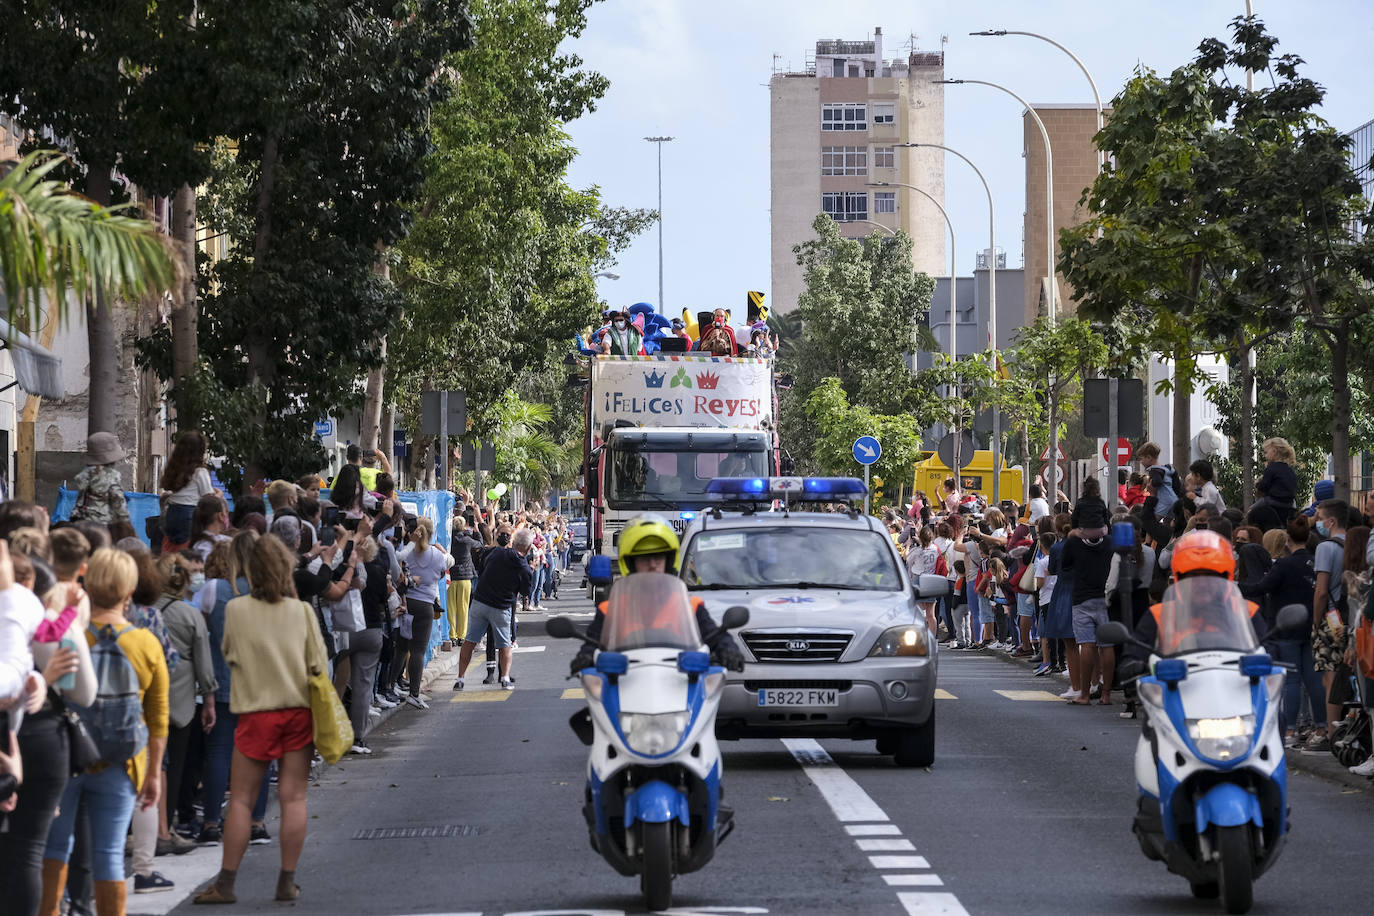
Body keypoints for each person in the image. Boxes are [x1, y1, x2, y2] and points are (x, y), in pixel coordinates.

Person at [193, 534, 327, 905]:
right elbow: (318, 665)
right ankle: (286, 880)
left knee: (240, 800)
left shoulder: (236, 610)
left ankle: (227, 882)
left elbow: (230, 655)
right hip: (297, 712)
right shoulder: (301, 613)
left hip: (254, 713)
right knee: (294, 798)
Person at [41, 548, 168, 916]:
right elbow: (157, 717)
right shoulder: (146, 643)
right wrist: (153, 774)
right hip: (122, 761)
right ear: (130, 592)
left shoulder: (71, 635)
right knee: (109, 854)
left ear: (88, 586)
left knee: (55, 847)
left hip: (68, 756)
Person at [569, 516, 744, 674]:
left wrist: (727, 648)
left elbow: (715, 635)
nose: (652, 564)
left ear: (669, 561)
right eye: (644, 558)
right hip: (625, 685)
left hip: (679, 685)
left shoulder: (689, 606)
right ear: (631, 563)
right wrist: (585, 657)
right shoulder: (611, 609)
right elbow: (592, 643)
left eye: (658, 558)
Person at [152, 554, 217, 858]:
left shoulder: (144, 612)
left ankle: (149, 826)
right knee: (174, 766)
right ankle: (167, 825)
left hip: (147, 698)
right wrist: (209, 699)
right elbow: (204, 665)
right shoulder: (190, 615)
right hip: (181, 701)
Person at [1241, 516, 1320, 746]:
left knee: (1292, 680)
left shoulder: (1284, 566)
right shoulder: (1314, 562)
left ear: (1288, 540)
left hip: (1287, 628)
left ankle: (1290, 730)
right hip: (1311, 625)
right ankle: (1322, 727)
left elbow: (1260, 588)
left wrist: (1233, 585)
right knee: (1313, 679)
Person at [455, 528, 533, 691]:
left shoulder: (495, 552)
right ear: (528, 547)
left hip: (480, 602)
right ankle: (504, 678)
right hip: (501, 606)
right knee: (505, 644)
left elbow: (483, 566)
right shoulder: (523, 566)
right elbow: (526, 591)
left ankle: (460, 679)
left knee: (470, 641)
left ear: (514, 542)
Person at [394, 517, 452, 708]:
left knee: (401, 647)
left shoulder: (407, 551)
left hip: (405, 601)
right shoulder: (436, 555)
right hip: (425, 604)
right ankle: (414, 692)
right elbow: (448, 563)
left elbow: (398, 559)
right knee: (417, 650)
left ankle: (390, 685)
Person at [1060, 521, 1114, 705]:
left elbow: (1063, 565)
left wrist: (1070, 537)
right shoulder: (1110, 543)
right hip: (1106, 598)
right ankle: (1106, 694)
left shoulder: (1075, 544)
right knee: (1107, 645)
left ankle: (1084, 694)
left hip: (1082, 598)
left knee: (1087, 644)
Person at [160, 432, 217, 553]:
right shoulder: (200, 472)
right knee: (188, 553)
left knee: (172, 551)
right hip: (189, 515)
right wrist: (219, 495)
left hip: (171, 512)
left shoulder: (175, 470)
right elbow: (209, 499)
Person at [68, 433, 130, 528]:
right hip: (100, 523)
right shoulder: (111, 476)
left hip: (78, 520)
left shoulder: (84, 474)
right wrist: (126, 522)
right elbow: (118, 500)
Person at [1249, 437, 1300, 529]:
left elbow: (1264, 486)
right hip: (1289, 503)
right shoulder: (1290, 470)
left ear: (1274, 451)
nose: (1265, 455)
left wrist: (1258, 485)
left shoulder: (1272, 467)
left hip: (1274, 500)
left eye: (1266, 452)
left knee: (1251, 510)